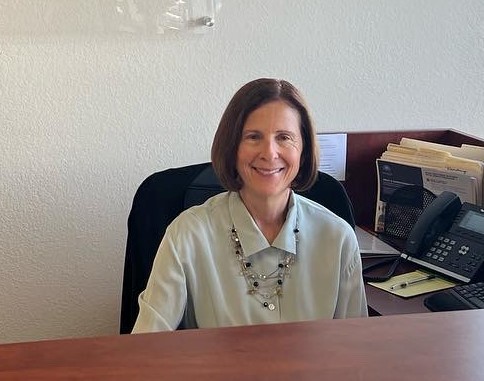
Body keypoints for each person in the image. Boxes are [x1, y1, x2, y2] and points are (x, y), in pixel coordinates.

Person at [132, 78, 368, 333]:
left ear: (304, 151)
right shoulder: (187, 235)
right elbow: (146, 345)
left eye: (284, 137)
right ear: (232, 148)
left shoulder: (337, 238)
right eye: (253, 137)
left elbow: (355, 353)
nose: (269, 153)